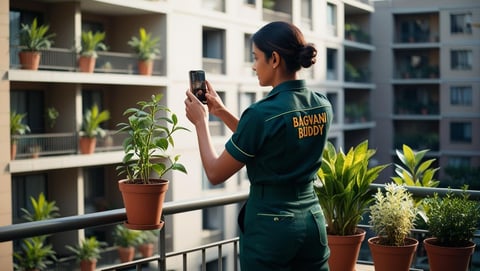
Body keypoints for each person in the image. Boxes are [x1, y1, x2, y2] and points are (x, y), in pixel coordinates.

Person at [184, 21, 332, 271]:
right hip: (312, 221)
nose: (253, 66)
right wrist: (221, 112)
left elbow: (215, 172)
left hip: (272, 229)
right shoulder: (321, 105)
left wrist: (201, 122)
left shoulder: (261, 113)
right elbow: (270, 139)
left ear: (274, 59)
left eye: (256, 57)